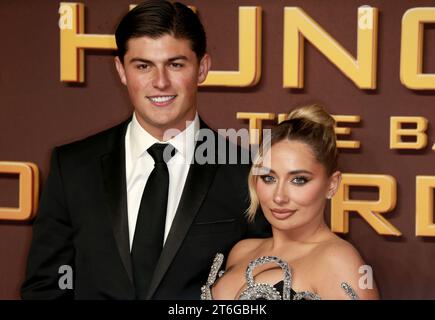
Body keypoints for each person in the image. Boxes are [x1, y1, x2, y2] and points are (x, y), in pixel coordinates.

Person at [21, 0, 269, 300]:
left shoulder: (246, 172)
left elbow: (260, 292)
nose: (160, 82)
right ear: (121, 70)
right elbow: (44, 288)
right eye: (143, 66)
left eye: (175, 65)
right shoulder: (72, 167)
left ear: (202, 68)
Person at [201, 105, 380, 300]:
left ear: (332, 184)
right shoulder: (242, 250)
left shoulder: (338, 261)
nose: (279, 197)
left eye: (299, 180)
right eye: (269, 178)